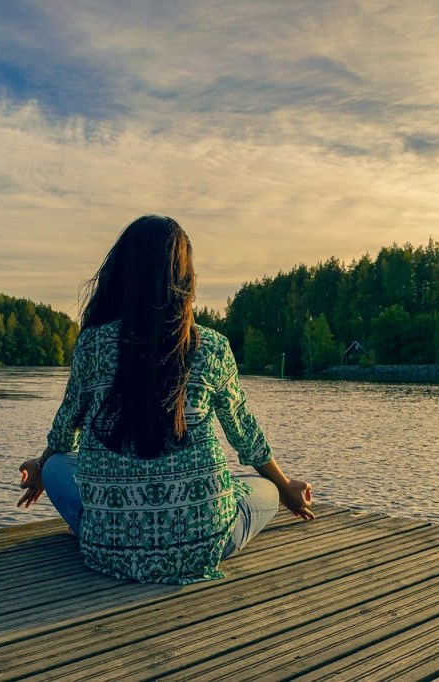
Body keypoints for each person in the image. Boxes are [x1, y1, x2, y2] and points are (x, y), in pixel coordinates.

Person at [17, 215, 314, 585]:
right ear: (185, 278)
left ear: (121, 273)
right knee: (265, 488)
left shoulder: (92, 344)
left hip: (108, 549)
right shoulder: (212, 347)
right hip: (203, 543)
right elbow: (245, 436)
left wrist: (43, 464)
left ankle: (104, 524)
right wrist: (286, 488)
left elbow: (65, 431)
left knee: (59, 465)